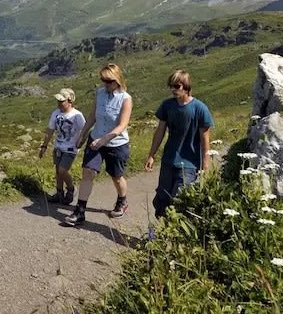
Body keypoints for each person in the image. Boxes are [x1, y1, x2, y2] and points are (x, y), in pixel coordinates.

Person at [64, 64, 133, 227]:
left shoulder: (125, 98)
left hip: (116, 143)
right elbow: (92, 116)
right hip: (95, 139)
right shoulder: (100, 93)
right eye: (103, 80)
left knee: (116, 176)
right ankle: (79, 212)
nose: (105, 84)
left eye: (108, 81)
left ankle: (122, 201)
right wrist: (82, 134)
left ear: (117, 80)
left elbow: (122, 125)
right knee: (88, 172)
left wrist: (104, 140)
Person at [144, 69, 214, 218]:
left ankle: (175, 229)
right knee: (162, 197)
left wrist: (205, 164)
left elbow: (205, 138)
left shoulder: (200, 108)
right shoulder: (167, 105)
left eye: (177, 86)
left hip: (190, 163)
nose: (173, 90)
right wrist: (151, 155)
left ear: (186, 86)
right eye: (171, 86)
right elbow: (160, 131)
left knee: (179, 199)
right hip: (169, 160)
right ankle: (160, 228)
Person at [38, 88, 86, 205]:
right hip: (58, 146)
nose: (59, 103)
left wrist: (81, 143)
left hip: (71, 148)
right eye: (58, 101)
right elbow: (50, 130)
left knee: (62, 170)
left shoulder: (77, 115)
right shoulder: (56, 113)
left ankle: (71, 189)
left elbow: (85, 130)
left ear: (70, 101)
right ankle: (59, 193)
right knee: (58, 171)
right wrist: (44, 146)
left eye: (62, 101)